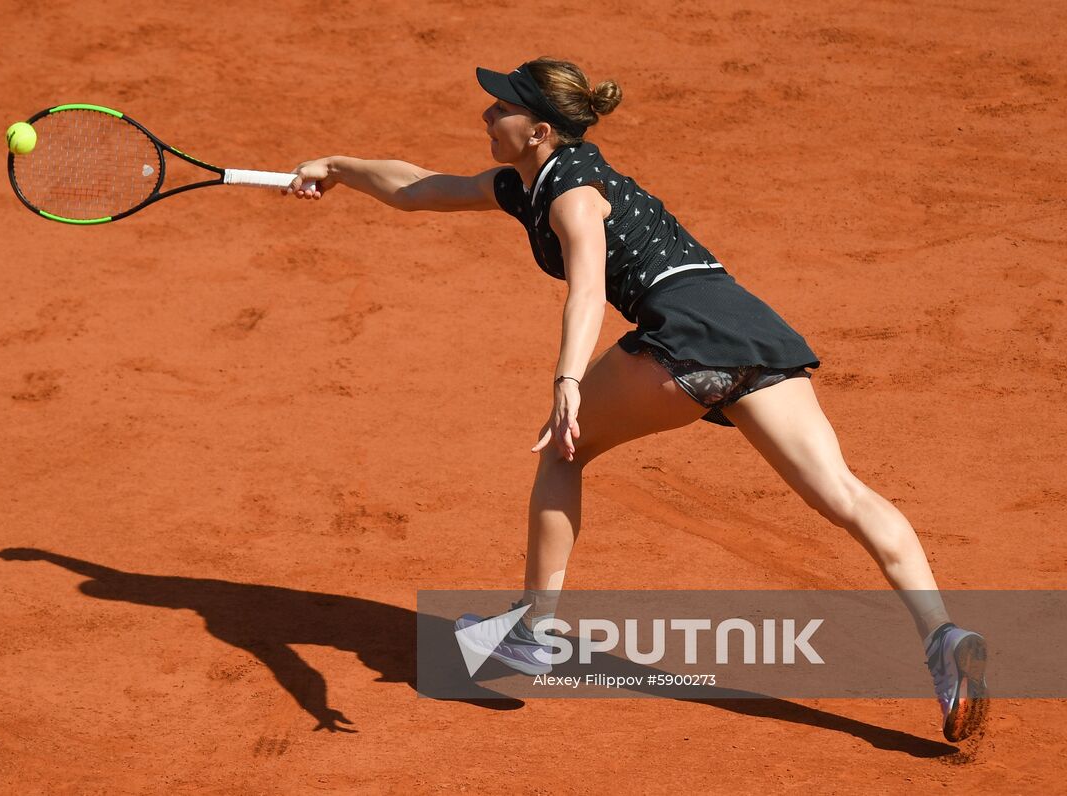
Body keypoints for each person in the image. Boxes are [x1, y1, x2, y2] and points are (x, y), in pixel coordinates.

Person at [284, 58, 987, 743]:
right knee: (844, 494)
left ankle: (533, 628)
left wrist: (566, 381)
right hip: (750, 330)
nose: (487, 111)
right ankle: (944, 640)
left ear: (541, 130)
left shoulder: (571, 194)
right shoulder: (525, 183)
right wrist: (337, 167)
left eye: (503, 104)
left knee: (568, 445)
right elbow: (417, 187)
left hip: (683, 338)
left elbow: (588, 286)